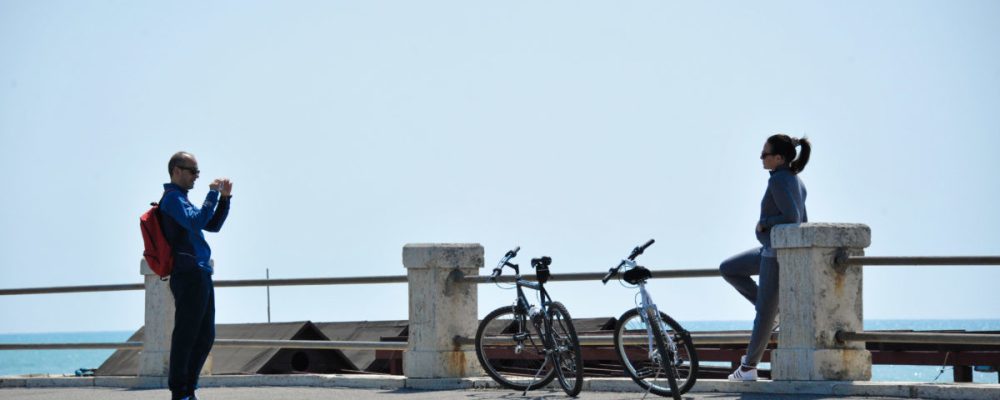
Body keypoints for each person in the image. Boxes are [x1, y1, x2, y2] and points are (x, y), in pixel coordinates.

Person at [720, 134, 810, 381]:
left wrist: (764, 222)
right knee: (728, 268)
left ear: (779, 158)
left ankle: (748, 368)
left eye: (765, 154)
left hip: (774, 255)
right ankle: (775, 311)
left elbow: (792, 218)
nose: (761, 158)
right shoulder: (793, 179)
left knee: (763, 314)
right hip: (767, 250)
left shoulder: (780, 181)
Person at [159, 151, 232, 400]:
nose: (196, 177)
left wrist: (224, 199)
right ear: (176, 171)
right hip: (188, 273)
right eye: (193, 171)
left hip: (200, 273)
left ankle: (189, 389)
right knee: (186, 335)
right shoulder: (171, 199)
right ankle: (179, 392)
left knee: (205, 336)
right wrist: (212, 193)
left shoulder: (183, 199)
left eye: (197, 172)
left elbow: (211, 225)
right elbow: (197, 220)